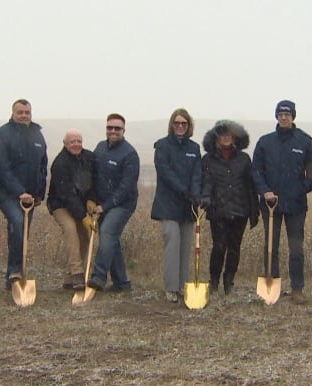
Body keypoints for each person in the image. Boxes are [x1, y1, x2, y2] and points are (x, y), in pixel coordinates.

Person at [252, 99, 312, 304]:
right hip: (270, 204)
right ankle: (272, 283)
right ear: (276, 117)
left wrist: (301, 190)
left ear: (293, 117)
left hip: (296, 205)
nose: (283, 118)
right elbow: (256, 170)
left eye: (287, 115)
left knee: (296, 248)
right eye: (280, 114)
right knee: (270, 245)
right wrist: (264, 191)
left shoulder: (304, 142)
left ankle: (297, 288)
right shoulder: (265, 142)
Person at [0, 99, 48, 290]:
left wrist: (39, 193)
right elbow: (1, 168)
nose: (24, 115)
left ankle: (13, 279)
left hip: (30, 197)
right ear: (13, 113)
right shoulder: (3, 134)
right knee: (16, 222)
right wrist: (19, 191)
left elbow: (42, 166)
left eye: (27, 112)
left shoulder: (38, 135)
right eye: (20, 112)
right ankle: (16, 270)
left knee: (21, 233)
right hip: (6, 192)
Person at [200, 120, 259, 296]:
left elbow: (251, 186)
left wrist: (254, 211)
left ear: (235, 137)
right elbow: (207, 182)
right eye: (222, 134)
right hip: (218, 210)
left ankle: (228, 281)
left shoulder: (244, 159)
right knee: (219, 247)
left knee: (234, 248)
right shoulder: (208, 159)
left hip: (241, 210)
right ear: (216, 137)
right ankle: (214, 281)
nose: (226, 137)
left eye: (229, 134)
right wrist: (204, 198)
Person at [150, 108, 202, 303]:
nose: (180, 126)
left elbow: (197, 173)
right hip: (168, 204)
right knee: (172, 243)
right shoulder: (162, 146)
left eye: (184, 124)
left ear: (189, 126)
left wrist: (195, 193)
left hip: (189, 206)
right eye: (177, 123)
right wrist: (185, 191)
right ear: (172, 125)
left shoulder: (194, 148)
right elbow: (165, 172)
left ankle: (183, 286)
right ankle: (171, 288)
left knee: (186, 246)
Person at [86, 113, 140, 292]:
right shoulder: (100, 148)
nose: (113, 131)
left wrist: (106, 206)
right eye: (110, 128)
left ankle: (98, 277)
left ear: (124, 130)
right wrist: (92, 199)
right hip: (101, 202)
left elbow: (126, 187)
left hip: (122, 204)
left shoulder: (130, 154)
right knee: (112, 239)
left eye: (117, 128)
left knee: (107, 231)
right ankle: (121, 283)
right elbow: (93, 175)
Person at [47, 129, 97, 291]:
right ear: (65, 144)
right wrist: (83, 217)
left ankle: (70, 279)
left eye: (79, 141)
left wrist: (92, 198)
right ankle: (77, 273)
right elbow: (66, 194)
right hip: (60, 204)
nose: (76, 144)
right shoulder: (60, 163)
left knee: (85, 236)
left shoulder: (89, 157)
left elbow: (96, 180)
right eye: (72, 142)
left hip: (81, 203)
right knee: (70, 229)